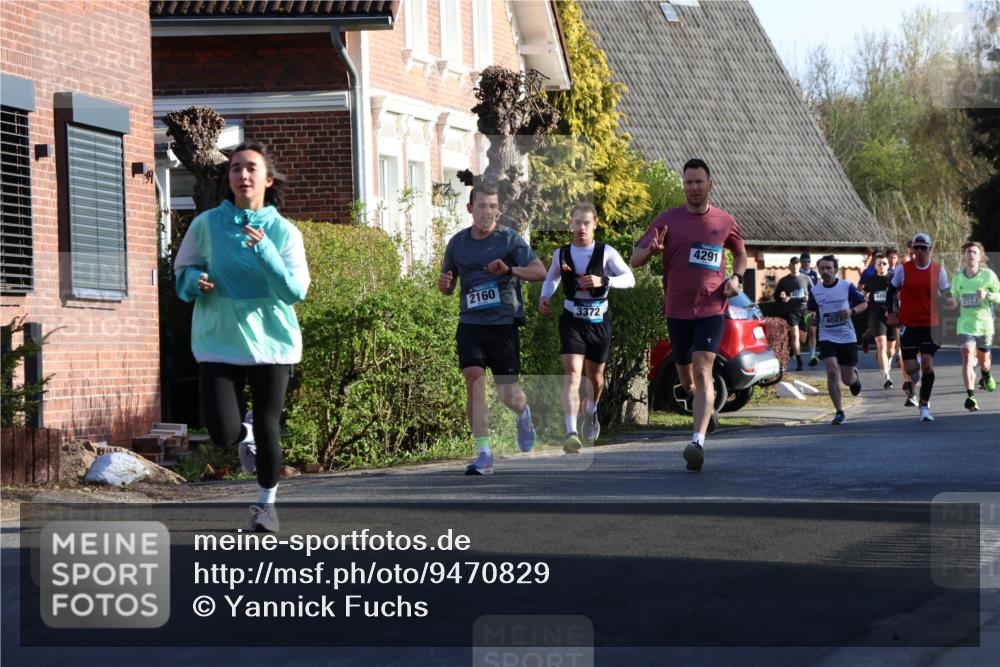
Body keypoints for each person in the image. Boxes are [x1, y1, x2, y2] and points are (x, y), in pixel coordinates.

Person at [174, 143, 310, 533]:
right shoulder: (206, 224)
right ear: (228, 177)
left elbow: (294, 291)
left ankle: (266, 506)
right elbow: (183, 271)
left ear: (268, 180)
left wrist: (265, 250)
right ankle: (242, 432)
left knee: (269, 426)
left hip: (271, 341)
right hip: (219, 337)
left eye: (251, 168)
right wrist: (193, 281)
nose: (243, 175)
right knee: (222, 433)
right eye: (235, 168)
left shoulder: (284, 231)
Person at [631, 158, 747, 472]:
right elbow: (635, 258)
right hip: (677, 309)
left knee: (702, 368)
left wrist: (736, 279)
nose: (694, 188)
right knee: (686, 379)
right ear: (683, 185)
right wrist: (651, 251)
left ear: (710, 184)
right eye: (688, 182)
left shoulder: (724, 220)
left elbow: (740, 252)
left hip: (711, 307)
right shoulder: (668, 220)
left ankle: (697, 442)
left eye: (699, 182)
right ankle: (703, 410)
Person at [438, 182, 547, 475]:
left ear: (498, 210)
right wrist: (444, 285)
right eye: (482, 206)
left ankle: (523, 415)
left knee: (507, 394)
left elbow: (540, 271)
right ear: (470, 208)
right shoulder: (457, 243)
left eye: (493, 207)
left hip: (503, 325)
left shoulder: (509, 240)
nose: (487, 212)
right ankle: (484, 454)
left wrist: (509, 270)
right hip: (470, 324)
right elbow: (447, 285)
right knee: (474, 380)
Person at [539, 204, 635, 452]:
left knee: (596, 378)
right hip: (572, 320)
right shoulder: (561, 254)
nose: (581, 227)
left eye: (586, 223)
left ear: (595, 224)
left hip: (599, 321)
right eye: (577, 223)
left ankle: (591, 411)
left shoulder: (606, 252)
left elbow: (630, 279)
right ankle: (571, 432)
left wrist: (604, 280)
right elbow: (552, 278)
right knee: (572, 375)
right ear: (570, 224)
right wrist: (544, 296)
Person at [886, 233, 956, 421]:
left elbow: (946, 291)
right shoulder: (903, 269)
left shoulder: (938, 270)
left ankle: (924, 406)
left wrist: (950, 301)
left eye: (923, 248)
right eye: (916, 247)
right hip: (908, 324)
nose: (919, 251)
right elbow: (891, 291)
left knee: (927, 364)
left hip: (931, 324)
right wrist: (891, 312)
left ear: (930, 249)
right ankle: (914, 375)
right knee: (910, 368)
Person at [807, 256, 866, 424]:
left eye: (829, 268)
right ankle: (839, 411)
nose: (826, 271)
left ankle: (854, 376)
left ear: (835, 270)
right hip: (827, 336)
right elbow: (811, 313)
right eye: (822, 268)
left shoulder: (846, 286)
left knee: (847, 380)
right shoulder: (815, 291)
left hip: (847, 336)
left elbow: (864, 304)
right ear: (819, 271)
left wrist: (851, 312)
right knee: (832, 371)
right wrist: (810, 319)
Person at [950, 241, 1000, 411]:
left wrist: (988, 295)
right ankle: (971, 396)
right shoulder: (957, 278)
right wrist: (951, 302)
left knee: (984, 361)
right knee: (967, 357)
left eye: (974, 252)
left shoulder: (988, 275)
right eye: (968, 252)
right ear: (964, 257)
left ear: (980, 257)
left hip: (984, 325)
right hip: (965, 325)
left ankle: (985, 373)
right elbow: (954, 299)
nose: (971, 254)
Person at [862, 254, 898, 388]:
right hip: (876, 315)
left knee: (891, 350)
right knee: (881, 344)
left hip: (891, 315)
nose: (882, 266)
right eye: (879, 264)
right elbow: (864, 291)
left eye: (884, 263)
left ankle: (887, 363)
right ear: (875, 266)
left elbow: (900, 292)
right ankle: (886, 377)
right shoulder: (871, 280)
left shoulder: (893, 278)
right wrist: (866, 299)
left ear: (888, 265)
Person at [774, 256, 813, 371]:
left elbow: (814, 293)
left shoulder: (806, 278)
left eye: (797, 264)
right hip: (790, 311)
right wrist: (782, 299)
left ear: (799, 265)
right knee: (795, 335)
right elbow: (776, 295)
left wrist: (808, 297)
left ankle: (792, 350)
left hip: (804, 310)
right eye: (793, 264)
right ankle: (800, 362)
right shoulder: (784, 280)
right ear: (790, 266)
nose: (795, 266)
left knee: (802, 339)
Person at [799, 252, 820, 365]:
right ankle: (795, 351)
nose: (806, 263)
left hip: (812, 306)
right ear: (801, 262)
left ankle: (812, 355)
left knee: (812, 331)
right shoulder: (797, 273)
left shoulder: (814, 274)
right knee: (801, 336)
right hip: (800, 307)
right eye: (804, 261)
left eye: (808, 261)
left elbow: (816, 288)